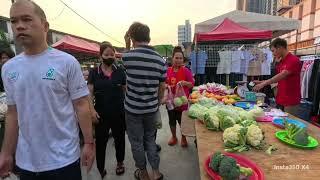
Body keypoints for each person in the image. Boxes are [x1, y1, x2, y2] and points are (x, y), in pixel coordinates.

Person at [0, 1, 95, 179]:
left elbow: (82, 105)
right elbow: (13, 113)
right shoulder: (9, 68)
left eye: (26, 19)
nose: (19, 26)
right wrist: (6, 153)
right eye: (14, 21)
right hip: (26, 163)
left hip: (64, 160)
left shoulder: (66, 62)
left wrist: (89, 143)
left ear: (45, 26)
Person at [123, 22, 166, 180]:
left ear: (132, 37)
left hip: (133, 110)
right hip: (151, 109)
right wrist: (158, 101)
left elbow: (126, 57)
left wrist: (127, 43)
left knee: (136, 141)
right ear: (148, 37)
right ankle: (156, 172)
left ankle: (144, 173)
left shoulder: (127, 57)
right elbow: (162, 86)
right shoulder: (160, 60)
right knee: (150, 140)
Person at [87, 42, 126, 178]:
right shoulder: (94, 72)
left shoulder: (120, 71)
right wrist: (91, 111)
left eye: (112, 54)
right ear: (100, 56)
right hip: (101, 114)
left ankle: (120, 162)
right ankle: (100, 167)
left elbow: (125, 90)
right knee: (101, 142)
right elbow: (89, 94)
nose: (110, 56)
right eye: (106, 54)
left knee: (120, 139)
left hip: (119, 113)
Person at [254, 38, 302, 115]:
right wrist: (261, 82)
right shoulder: (282, 61)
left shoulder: (293, 60)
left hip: (290, 100)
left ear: (280, 48)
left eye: (273, 51)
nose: (273, 54)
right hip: (280, 98)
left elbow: (282, 75)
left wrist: (263, 84)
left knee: (288, 124)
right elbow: (278, 79)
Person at [166, 46, 194, 147]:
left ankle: (183, 138)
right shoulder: (168, 70)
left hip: (182, 102)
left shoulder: (186, 70)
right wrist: (166, 86)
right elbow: (164, 83)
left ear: (183, 60)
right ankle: (174, 137)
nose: (178, 60)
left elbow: (192, 84)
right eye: (176, 58)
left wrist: (185, 83)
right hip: (170, 102)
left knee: (182, 121)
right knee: (172, 121)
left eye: (180, 58)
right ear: (172, 58)